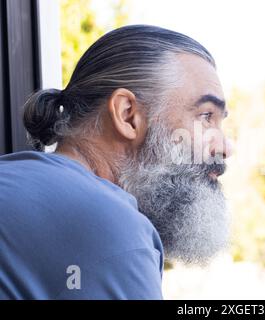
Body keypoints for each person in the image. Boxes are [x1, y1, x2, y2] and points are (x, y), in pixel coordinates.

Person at [0, 25, 233, 299]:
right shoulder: (104, 223)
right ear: (127, 115)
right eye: (206, 117)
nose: (225, 147)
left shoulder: (13, 177)